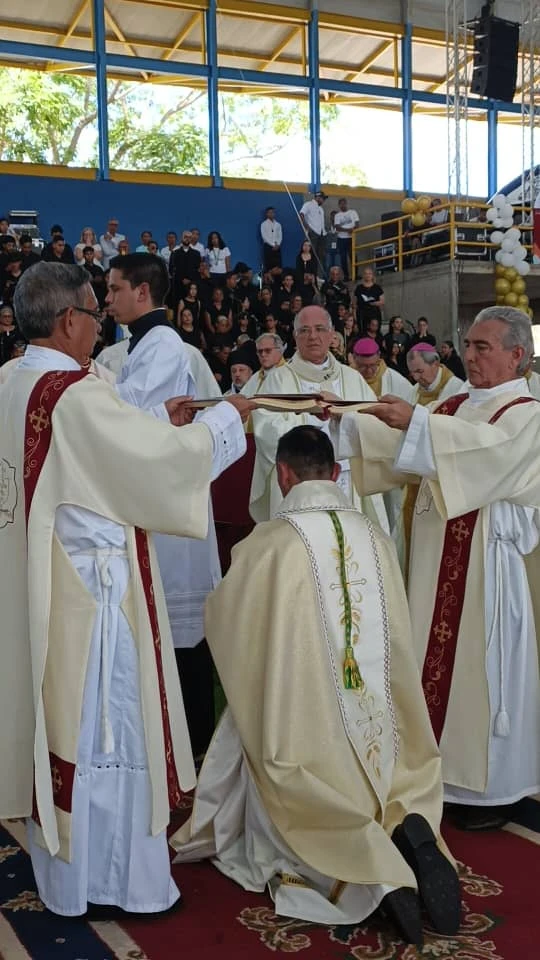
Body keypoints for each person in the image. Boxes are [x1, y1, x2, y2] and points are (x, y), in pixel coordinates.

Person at [0, 261, 251, 918]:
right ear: (67, 321)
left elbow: (99, 457)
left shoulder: (10, 383)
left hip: (35, 593)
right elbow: (157, 468)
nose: (99, 324)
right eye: (92, 313)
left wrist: (157, 426)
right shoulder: (72, 392)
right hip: (92, 604)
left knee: (53, 733)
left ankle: (63, 878)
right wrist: (225, 420)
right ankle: (114, 884)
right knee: (104, 737)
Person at [172, 426, 461, 946]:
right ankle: (402, 824)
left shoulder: (271, 542)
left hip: (308, 727)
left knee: (270, 753)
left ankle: (365, 870)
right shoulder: (374, 536)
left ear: (282, 475)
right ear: (334, 474)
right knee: (383, 763)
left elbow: (226, 621)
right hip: (380, 724)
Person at [330, 305, 540, 831]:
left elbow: (486, 456)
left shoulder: (525, 413)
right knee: (428, 654)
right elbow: (408, 448)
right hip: (435, 559)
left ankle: (491, 789)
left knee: (482, 674)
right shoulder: (455, 404)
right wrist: (346, 418)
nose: (469, 356)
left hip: (486, 570)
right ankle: (436, 775)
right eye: (467, 345)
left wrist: (417, 421)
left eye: (483, 347)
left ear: (517, 355)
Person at [106, 253, 249, 761]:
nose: (108, 299)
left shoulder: (165, 346)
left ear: (142, 293)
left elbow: (129, 418)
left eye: (115, 289)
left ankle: (191, 750)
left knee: (180, 637)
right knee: (165, 633)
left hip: (170, 509)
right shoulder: (137, 345)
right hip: (156, 500)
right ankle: (175, 745)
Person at [250, 305, 387, 530]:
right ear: (295, 337)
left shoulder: (352, 378)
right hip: (298, 482)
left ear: (332, 335)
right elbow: (267, 430)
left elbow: (373, 423)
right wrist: (317, 422)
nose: (312, 336)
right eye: (304, 330)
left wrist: (343, 420)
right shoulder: (278, 380)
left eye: (320, 329)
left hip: (346, 479)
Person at [352, 338, 414, 402]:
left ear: (379, 356)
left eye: (373, 365)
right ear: (354, 357)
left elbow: (411, 401)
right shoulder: (346, 377)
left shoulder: (395, 378)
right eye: (363, 366)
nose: (369, 371)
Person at [241, 333, 286, 398]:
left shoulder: (286, 374)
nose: (263, 354)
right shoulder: (256, 376)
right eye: (260, 351)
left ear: (279, 350)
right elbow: (242, 397)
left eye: (268, 350)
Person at [299, 191, 327, 274]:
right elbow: (301, 214)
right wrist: (307, 227)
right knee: (310, 254)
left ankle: (318, 274)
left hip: (322, 234)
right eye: (323, 198)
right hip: (313, 233)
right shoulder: (308, 204)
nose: (323, 201)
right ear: (318, 197)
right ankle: (309, 273)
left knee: (321, 256)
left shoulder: (321, 209)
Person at [333, 197, 359, 281]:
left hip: (351, 238)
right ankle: (346, 276)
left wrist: (353, 230)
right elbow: (337, 227)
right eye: (341, 204)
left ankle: (355, 275)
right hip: (341, 239)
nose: (343, 205)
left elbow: (357, 223)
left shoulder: (353, 212)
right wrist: (348, 230)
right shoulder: (337, 215)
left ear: (346, 204)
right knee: (343, 258)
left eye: (344, 203)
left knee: (353, 256)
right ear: (339, 205)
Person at [260, 207, 283, 272]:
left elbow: (280, 236)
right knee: (269, 266)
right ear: (267, 214)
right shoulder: (263, 224)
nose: (271, 214)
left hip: (277, 247)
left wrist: (278, 244)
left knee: (278, 266)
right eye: (270, 212)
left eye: (273, 212)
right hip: (268, 247)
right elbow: (264, 236)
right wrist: (273, 245)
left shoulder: (278, 224)